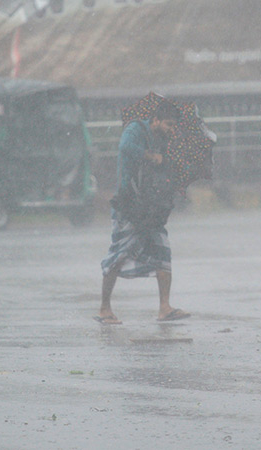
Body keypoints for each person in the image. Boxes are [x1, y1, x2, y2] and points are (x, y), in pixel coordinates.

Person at [97, 102, 189, 324]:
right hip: (128, 205)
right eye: (168, 124)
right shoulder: (136, 130)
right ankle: (104, 308)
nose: (171, 128)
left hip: (150, 207)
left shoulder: (164, 140)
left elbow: (167, 166)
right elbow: (126, 149)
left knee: (162, 252)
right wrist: (151, 156)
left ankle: (164, 308)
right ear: (155, 120)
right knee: (119, 254)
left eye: (174, 125)